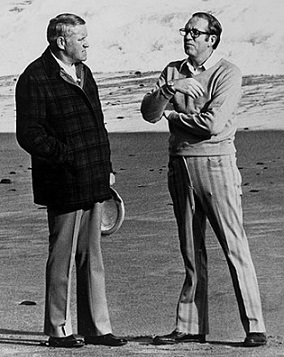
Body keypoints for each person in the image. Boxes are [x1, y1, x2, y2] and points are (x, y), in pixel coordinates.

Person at [141, 12, 267, 347]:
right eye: (186, 31)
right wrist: (169, 89)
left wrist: (174, 115)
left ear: (212, 39)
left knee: (234, 245)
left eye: (195, 33)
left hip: (217, 166)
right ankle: (190, 325)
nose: (188, 37)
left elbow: (213, 125)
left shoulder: (228, 73)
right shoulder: (173, 71)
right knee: (190, 248)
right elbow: (148, 113)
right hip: (179, 165)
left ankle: (254, 325)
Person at [16, 13, 127, 348]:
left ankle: (96, 328)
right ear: (61, 41)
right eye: (81, 39)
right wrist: (66, 156)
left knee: (91, 255)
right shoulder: (35, 77)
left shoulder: (84, 71)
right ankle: (57, 330)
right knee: (61, 256)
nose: (87, 43)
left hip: (93, 175)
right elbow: (29, 134)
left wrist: (105, 164)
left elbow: (98, 124)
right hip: (62, 179)